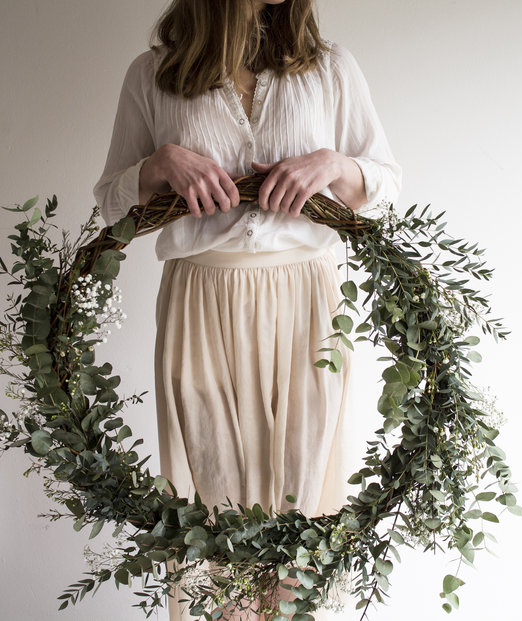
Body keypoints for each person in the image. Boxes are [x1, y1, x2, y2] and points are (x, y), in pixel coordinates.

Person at [93, 0, 402, 618]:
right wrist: (157, 166)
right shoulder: (153, 75)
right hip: (201, 302)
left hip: (307, 304)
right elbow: (109, 204)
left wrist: (338, 166)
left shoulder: (331, 69)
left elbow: (387, 188)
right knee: (214, 504)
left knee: (303, 501)